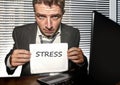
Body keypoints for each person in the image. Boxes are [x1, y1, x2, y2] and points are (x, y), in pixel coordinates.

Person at [5, 0, 88, 84]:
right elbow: (10, 66)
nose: (48, 26)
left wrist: (82, 61)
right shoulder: (20, 32)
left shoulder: (73, 33)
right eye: (41, 16)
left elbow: (79, 71)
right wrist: (11, 61)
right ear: (34, 14)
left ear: (63, 13)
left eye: (55, 17)